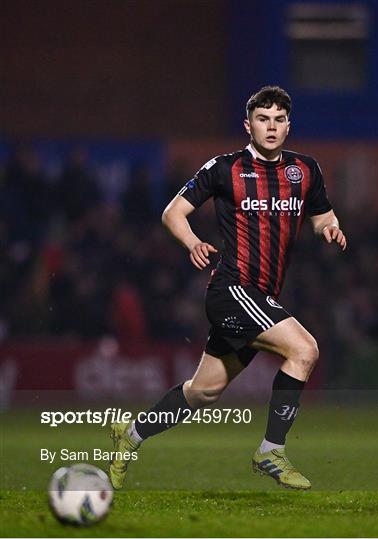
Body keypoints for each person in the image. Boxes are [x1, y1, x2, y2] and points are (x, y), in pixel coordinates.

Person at [109, 85, 347, 490]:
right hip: (233, 289)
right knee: (305, 350)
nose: (270, 127)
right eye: (262, 119)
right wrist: (192, 242)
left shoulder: (305, 170)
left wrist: (330, 229)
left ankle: (129, 435)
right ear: (248, 125)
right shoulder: (225, 168)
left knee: (203, 392)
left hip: (261, 296)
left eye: (278, 120)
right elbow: (173, 212)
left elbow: (322, 216)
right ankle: (271, 450)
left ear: (289, 126)